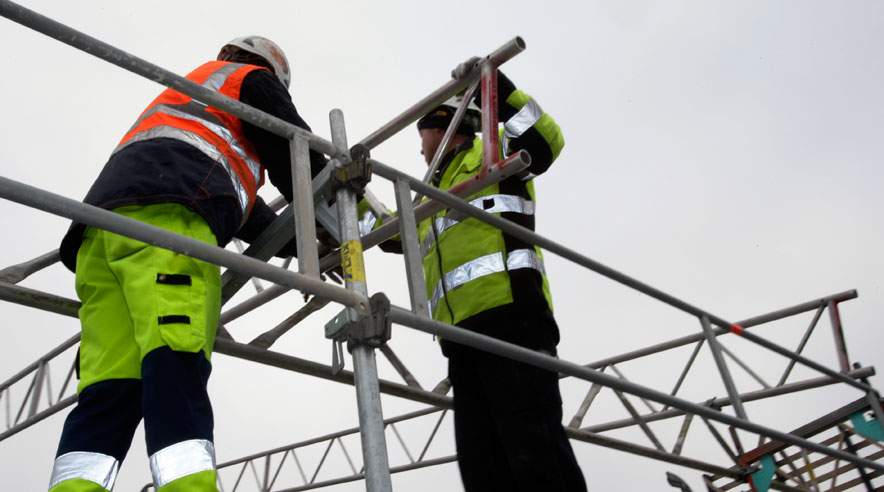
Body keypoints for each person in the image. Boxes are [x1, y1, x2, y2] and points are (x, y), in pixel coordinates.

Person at [49, 36, 326, 492]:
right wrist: (330, 214)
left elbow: (255, 217)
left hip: (100, 235)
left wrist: (301, 242)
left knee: (109, 387)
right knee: (175, 358)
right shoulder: (250, 80)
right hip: (169, 220)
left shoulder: (191, 101)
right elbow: (296, 153)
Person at [367, 65, 586, 491]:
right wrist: (347, 196)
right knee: (483, 468)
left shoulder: (493, 152)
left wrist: (495, 85)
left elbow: (545, 141)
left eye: (423, 137)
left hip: (512, 319)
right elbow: (391, 235)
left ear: (446, 127)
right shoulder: (431, 188)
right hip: (460, 338)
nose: (421, 151)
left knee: (535, 452)